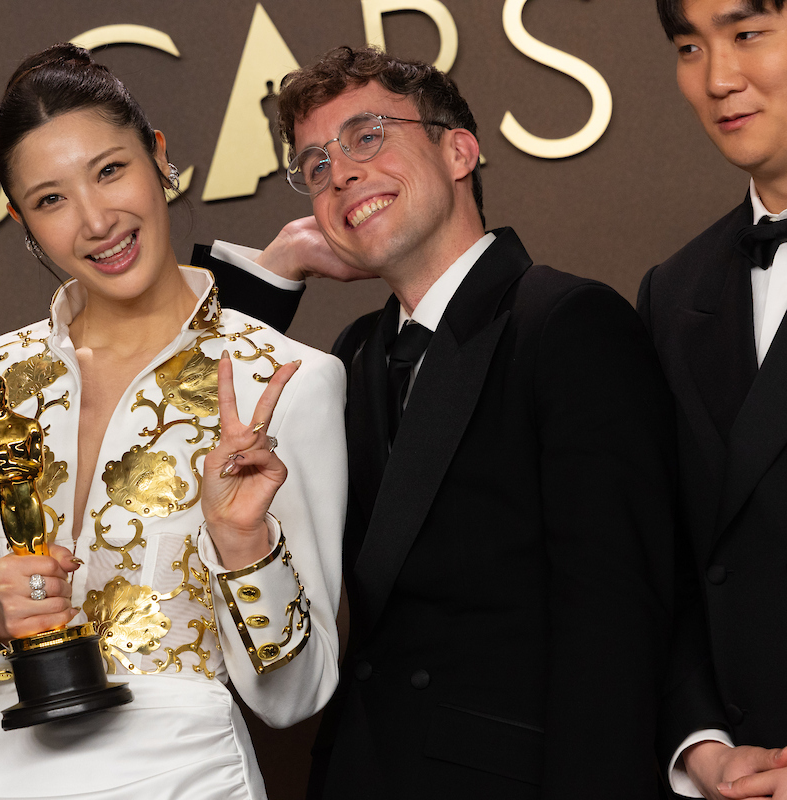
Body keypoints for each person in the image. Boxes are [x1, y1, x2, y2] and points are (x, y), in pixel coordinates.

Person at [192, 46, 678, 799]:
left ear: (459, 151)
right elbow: (194, 431)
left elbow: (614, 624)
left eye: (367, 136)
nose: (339, 173)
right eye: (316, 165)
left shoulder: (567, 323)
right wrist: (282, 263)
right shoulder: (355, 353)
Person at [0, 44, 345, 799]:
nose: (97, 220)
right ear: (20, 221)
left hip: (185, 778)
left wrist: (245, 544)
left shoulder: (284, 379)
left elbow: (294, 695)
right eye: (51, 199)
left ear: (159, 157)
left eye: (110, 170)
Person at [637, 1, 787, 798]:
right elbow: (672, 560)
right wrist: (703, 744)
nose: (718, 78)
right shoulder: (672, 291)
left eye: (746, 34)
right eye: (689, 47)